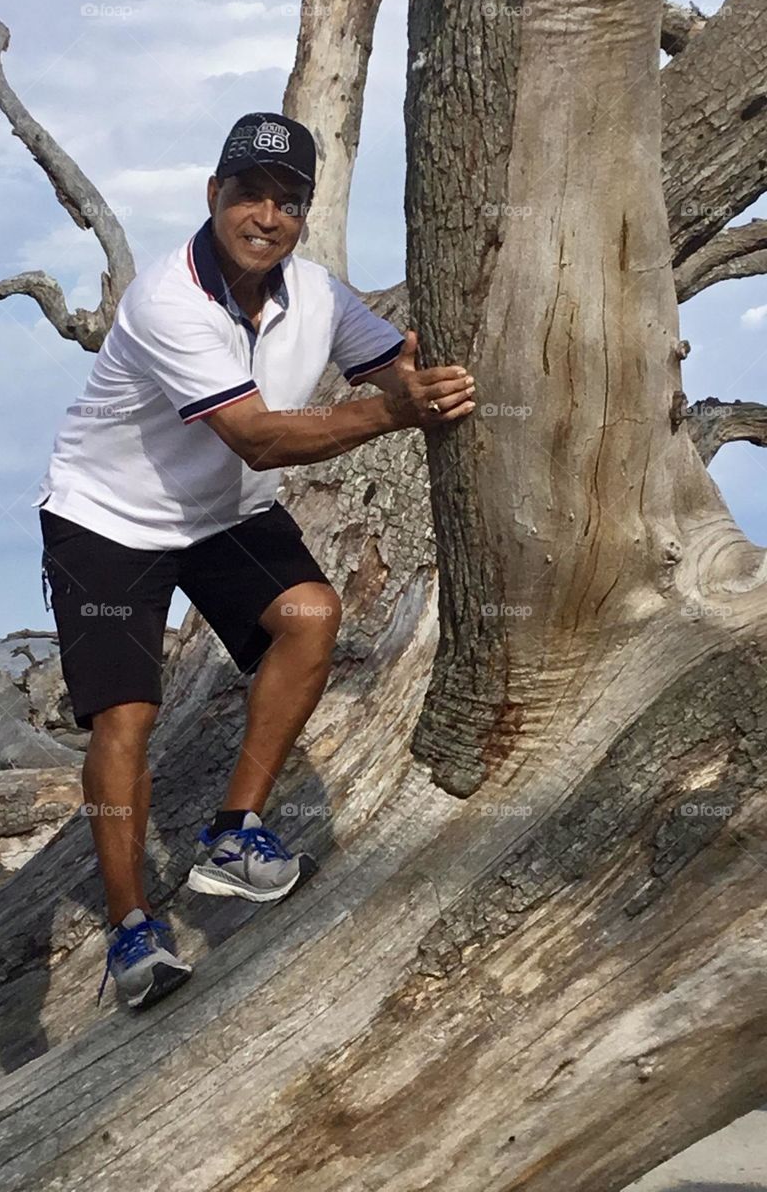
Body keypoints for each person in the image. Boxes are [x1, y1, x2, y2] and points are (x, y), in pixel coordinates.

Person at [32, 111, 476, 1011]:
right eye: (248, 194)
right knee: (126, 718)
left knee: (312, 616)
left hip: (220, 515)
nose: (265, 216)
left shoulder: (315, 293)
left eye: (287, 201)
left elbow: (388, 363)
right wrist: (397, 414)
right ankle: (131, 933)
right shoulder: (166, 299)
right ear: (214, 196)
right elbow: (260, 439)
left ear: (303, 215)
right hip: (108, 519)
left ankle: (233, 835)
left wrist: (422, 384)